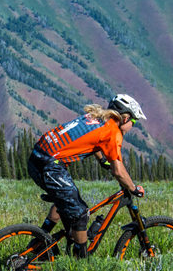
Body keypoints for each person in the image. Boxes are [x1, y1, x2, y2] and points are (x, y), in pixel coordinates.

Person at [27, 94, 146, 258]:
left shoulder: (96, 117)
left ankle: (40, 240)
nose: (133, 126)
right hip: (50, 166)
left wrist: (103, 160)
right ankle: (81, 263)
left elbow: (94, 141)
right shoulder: (113, 132)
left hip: (37, 157)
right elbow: (118, 171)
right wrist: (133, 188)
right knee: (81, 214)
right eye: (134, 122)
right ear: (125, 118)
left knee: (65, 202)